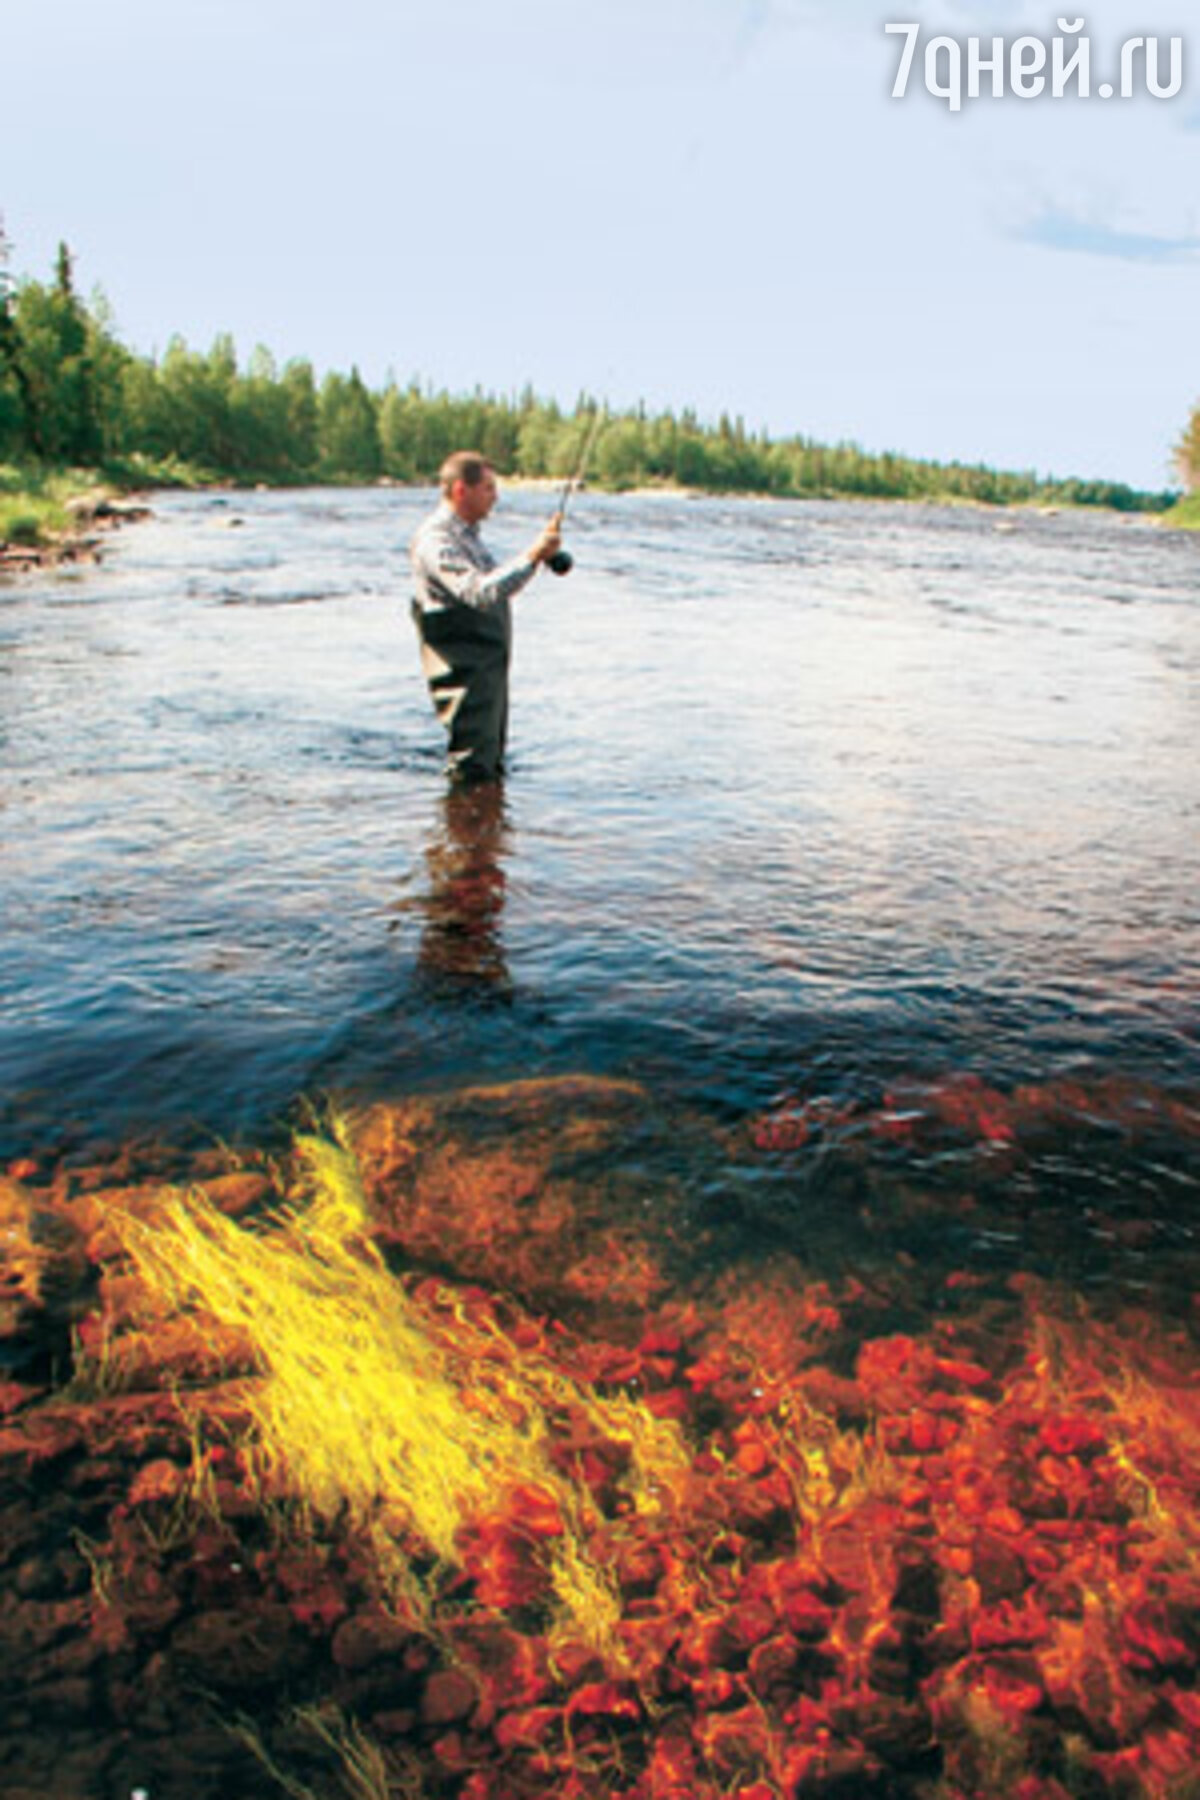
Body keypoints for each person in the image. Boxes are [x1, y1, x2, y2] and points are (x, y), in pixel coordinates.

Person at [409, 452, 561, 782]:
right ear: (462, 490)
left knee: (488, 760)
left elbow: (498, 584)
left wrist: (537, 559)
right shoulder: (436, 541)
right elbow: (480, 592)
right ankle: (462, 830)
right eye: (489, 488)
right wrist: (533, 554)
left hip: (485, 666)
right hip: (463, 667)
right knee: (471, 767)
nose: (496, 496)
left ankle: (478, 830)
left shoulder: (467, 537)